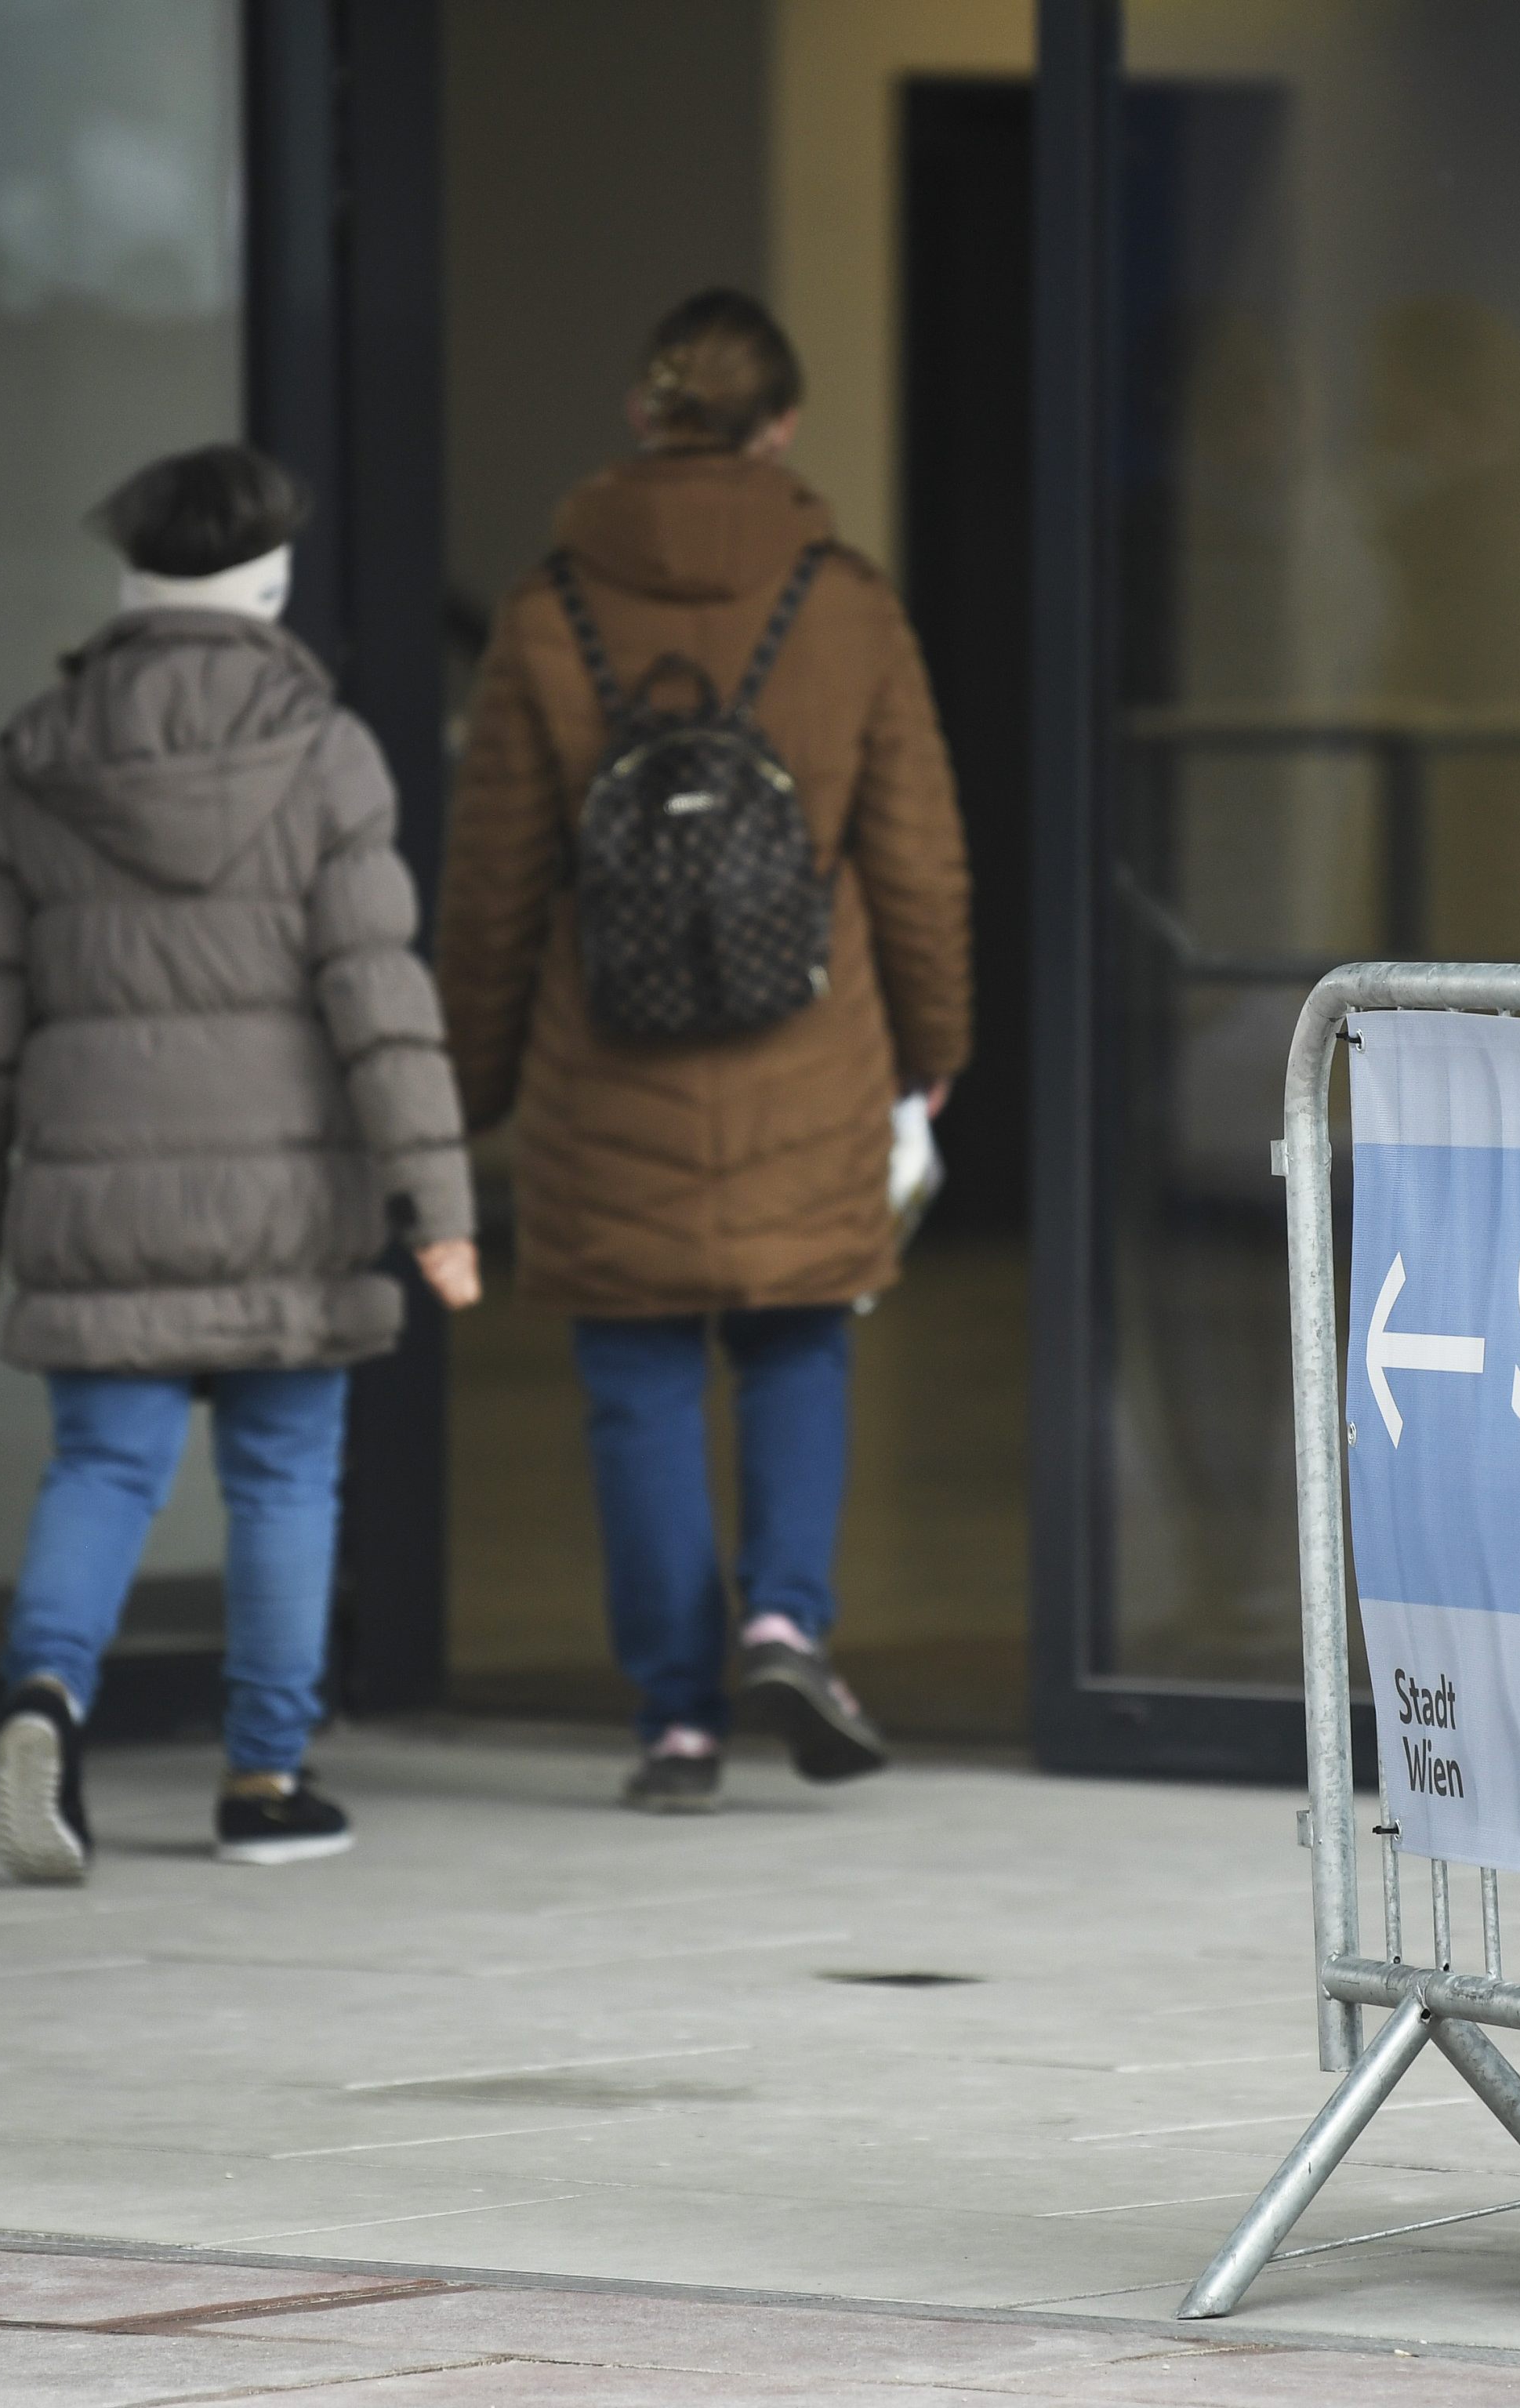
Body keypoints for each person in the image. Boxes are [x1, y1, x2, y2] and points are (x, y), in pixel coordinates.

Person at [437, 290, 972, 1813]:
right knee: (801, 1333)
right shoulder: (848, 603)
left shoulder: (547, 612)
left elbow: (490, 881)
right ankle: (783, 1616)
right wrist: (930, 1049)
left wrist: (467, 1084)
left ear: (641, 415)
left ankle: (676, 1721)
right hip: (809, 1044)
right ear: (782, 426)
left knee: (635, 1382)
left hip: (604, 1062)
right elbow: (918, 858)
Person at [0, 442, 477, 1884]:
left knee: (103, 1467)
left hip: (97, 1190)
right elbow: (380, 996)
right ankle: (266, 1778)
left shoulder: (37, 756)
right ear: (271, 590)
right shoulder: (327, 752)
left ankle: (47, 1693)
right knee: (286, 1479)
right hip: (286, 1196)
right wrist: (438, 1205)